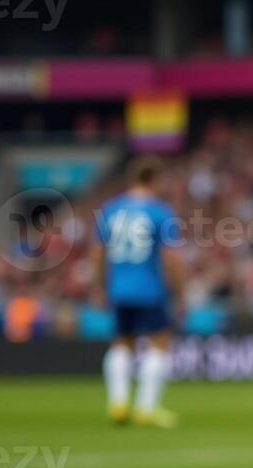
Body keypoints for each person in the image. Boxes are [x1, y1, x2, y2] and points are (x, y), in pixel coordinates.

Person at [91, 157, 183, 428]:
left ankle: (118, 403)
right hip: (150, 288)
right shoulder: (160, 212)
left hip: (118, 287)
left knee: (122, 343)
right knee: (160, 343)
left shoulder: (111, 210)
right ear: (155, 179)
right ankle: (146, 408)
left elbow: (98, 252)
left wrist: (100, 286)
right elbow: (171, 258)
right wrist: (180, 292)